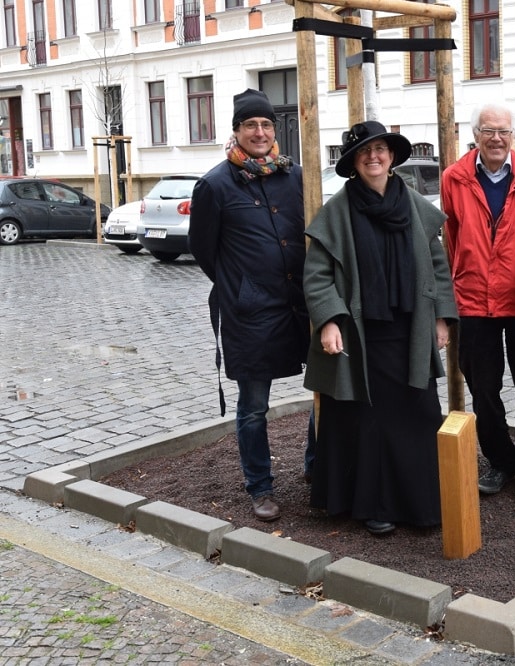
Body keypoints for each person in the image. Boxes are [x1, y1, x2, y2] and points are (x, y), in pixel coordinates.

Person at [303, 120, 457, 536]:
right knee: (365, 421)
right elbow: (317, 276)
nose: (374, 156)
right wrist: (330, 321)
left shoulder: (413, 205)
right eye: (365, 152)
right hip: (359, 336)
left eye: (381, 150)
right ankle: (374, 506)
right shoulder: (338, 211)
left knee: (418, 413)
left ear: (391, 157)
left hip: (410, 331)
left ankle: (421, 503)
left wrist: (442, 316)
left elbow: (438, 267)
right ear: (353, 162)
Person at [188, 89, 311, 522]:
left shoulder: (294, 175)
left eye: (266, 125)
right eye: (250, 125)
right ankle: (260, 487)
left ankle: (316, 469)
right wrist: (242, 288)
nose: (259, 132)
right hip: (252, 314)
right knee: (254, 406)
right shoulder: (216, 184)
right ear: (237, 131)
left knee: (325, 392)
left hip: (300, 305)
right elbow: (205, 251)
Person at [440, 104, 515, 508]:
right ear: (476, 135)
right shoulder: (455, 177)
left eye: (503, 131)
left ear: (513, 135)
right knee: (483, 389)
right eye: (488, 131)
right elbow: (450, 235)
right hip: (473, 301)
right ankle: (500, 461)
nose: (497, 138)